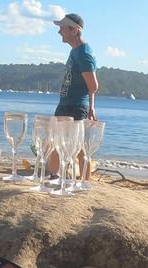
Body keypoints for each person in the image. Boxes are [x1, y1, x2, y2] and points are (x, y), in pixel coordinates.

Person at [48, 13, 99, 178]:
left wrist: (89, 106)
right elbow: (88, 87)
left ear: (75, 31)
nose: (59, 32)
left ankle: (85, 184)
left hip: (75, 106)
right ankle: (55, 177)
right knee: (55, 142)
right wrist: (92, 106)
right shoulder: (75, 51)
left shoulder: (84, 53)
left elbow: (93, 85)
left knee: (79, 149)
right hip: (67, 104)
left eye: (62, 28)